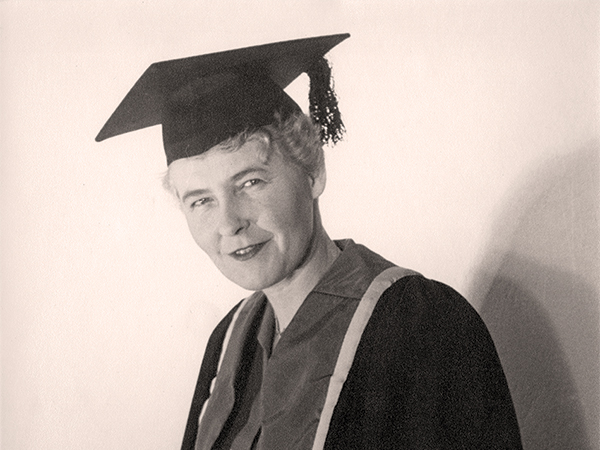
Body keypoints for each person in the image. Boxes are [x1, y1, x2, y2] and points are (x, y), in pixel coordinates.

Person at [97, 34, 522, 450]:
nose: (229, 223)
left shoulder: (421, 324)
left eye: (250, 182)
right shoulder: (229, 342)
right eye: (201, 201)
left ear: (313, 170)